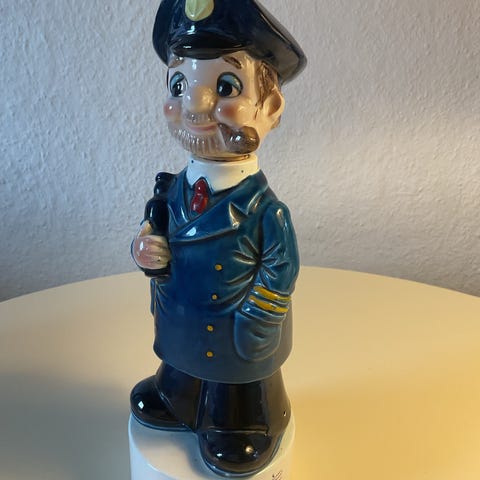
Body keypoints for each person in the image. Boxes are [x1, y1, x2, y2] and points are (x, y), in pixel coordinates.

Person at [130, 0, 306, 476]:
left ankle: (243, 420)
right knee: (181, 360)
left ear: (270, 109)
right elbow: (155, 231)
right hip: (182, 319)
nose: (195, 105)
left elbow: (280, 268)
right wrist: (146, 250)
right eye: (179, 85)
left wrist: (256, 321)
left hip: (236, 334)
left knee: (237, 378)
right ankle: (179, 397)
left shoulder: (266, 212)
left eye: (226, 86)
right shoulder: (172, 190)